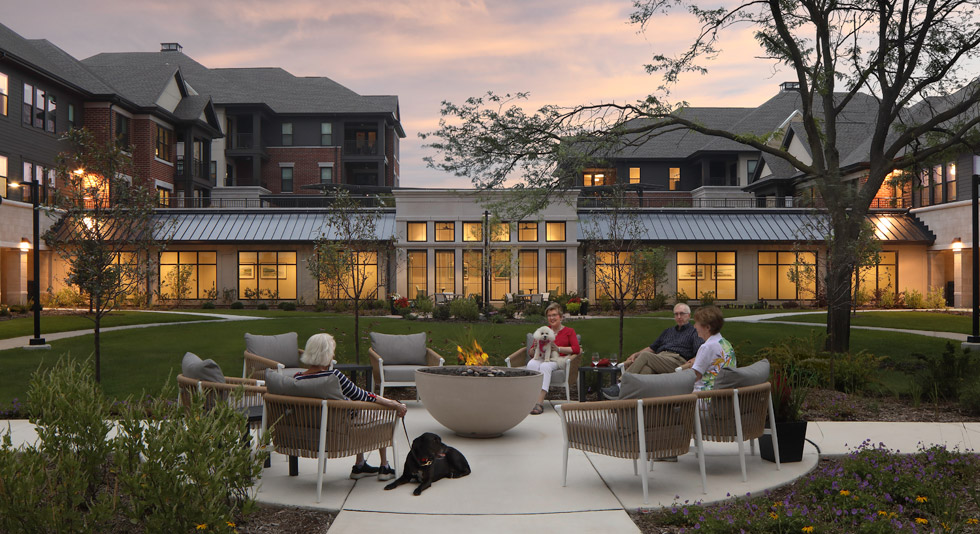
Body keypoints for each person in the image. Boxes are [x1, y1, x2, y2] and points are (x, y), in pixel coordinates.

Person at [294, 333, 408, 481]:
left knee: (357, 412)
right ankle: (384, 466)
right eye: (332, 351)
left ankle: (360, 464)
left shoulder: (297, 378)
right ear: (326, 354)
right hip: (340, 430)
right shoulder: (333, 377)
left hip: (312, 429)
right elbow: (363, 396)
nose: (333, 355)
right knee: (380, 416)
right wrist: (394, 404)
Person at [602, 302, 703, 398]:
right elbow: (652, 348)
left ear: (689, 315)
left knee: (646, 356)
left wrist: (693, 360)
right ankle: (627, 400)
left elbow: (700, 351)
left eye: (682, 314)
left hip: (677, 361)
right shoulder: (668, 331)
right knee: (646, 370)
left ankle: (620, 385)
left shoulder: (694, 332)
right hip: (659, 358)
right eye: (676, 314)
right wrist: (636, 354)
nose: (679, 317)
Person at [526, 302, 580, 415]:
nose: (552, 318)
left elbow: (576, 349)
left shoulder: (569, 331)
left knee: (545, 366)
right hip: (541, 356)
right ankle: (529, 400)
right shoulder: (544, 331)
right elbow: (531, 353)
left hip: (557, 359)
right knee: (531, 364)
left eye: (554, 315)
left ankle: (539, 403)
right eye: (549, 316)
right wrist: (534, 348)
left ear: (561, 317)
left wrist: (558, 349)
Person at [677, 305, 736, 391]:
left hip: (705, 395)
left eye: (697, 323)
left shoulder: (707, 347)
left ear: (707, 327)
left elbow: (695, 376)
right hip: (724, 395)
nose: (694, 326)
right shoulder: (725, 344)